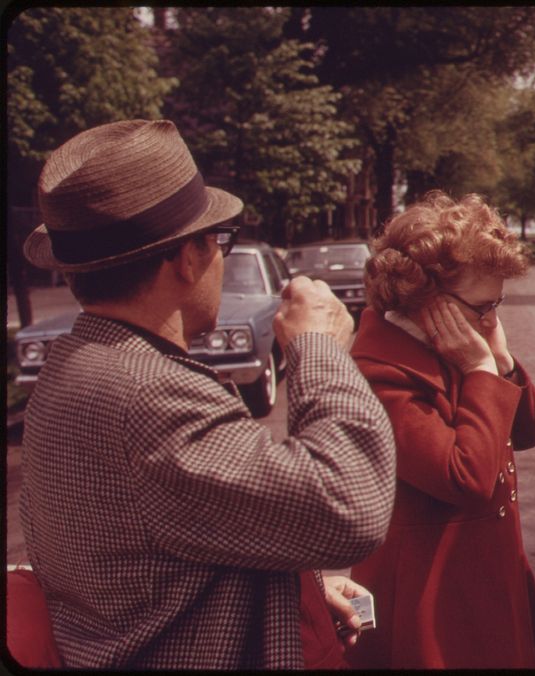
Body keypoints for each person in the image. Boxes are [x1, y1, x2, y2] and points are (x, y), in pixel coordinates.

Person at [17, 119, 397, 670]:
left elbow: (157, 549)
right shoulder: (150, 394)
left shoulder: (73, 368)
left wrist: (295, 589)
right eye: (219, 241)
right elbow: (352, 507)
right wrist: (319, 349)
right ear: (187, 257)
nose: (219, 258)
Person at [344, 191, 535, 669]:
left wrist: (502, 364)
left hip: (484, 579)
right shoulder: (379, 369)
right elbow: (467, 478)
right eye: (483, 307)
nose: (492, 320)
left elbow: (529, 431)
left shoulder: (460, 345)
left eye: (498, 305)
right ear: (425, 298)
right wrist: (482, 371)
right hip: (431, 599)